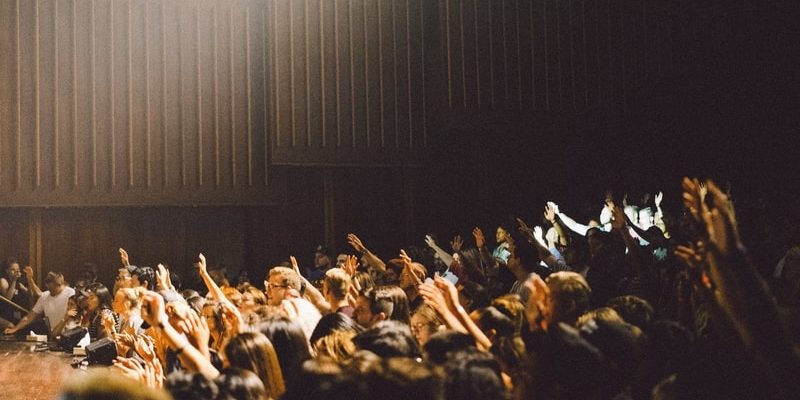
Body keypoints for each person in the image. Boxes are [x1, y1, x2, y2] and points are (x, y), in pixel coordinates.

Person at [4, 271, 75, 335]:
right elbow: (29, 317)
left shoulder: (71, 293)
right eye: (48, 289)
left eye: (52, 289)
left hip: (71, 332)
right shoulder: (45, 296)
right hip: (54, 334)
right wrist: (15, 328)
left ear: (59, 284)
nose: (50, 292)